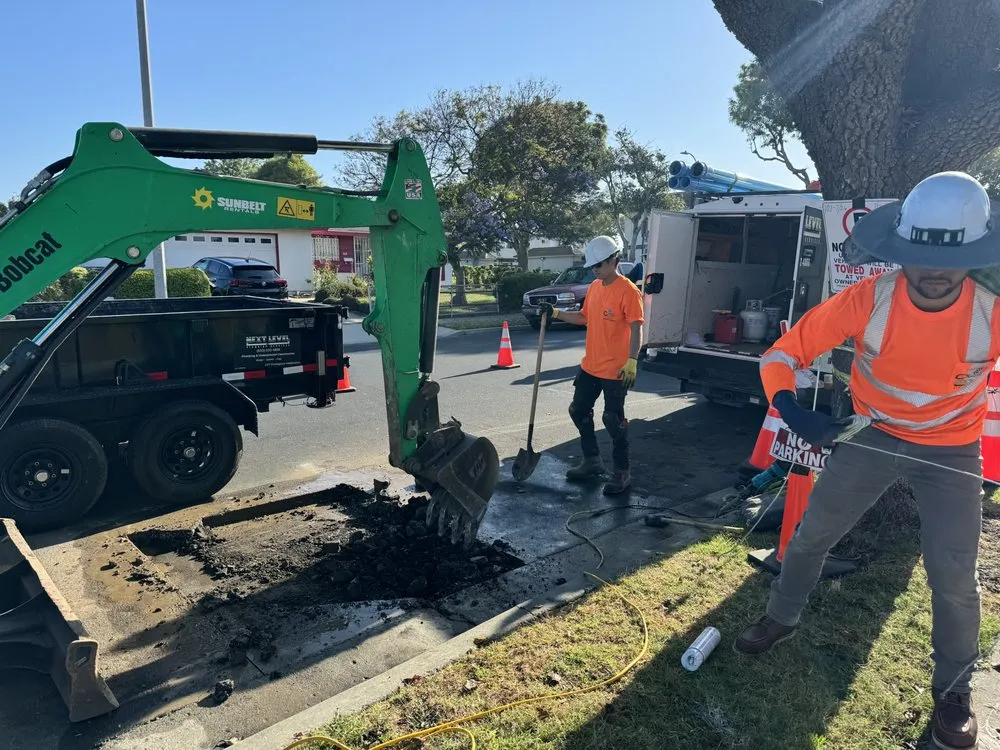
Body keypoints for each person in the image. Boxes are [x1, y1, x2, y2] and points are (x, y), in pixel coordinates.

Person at [735, 171, 1000, 750]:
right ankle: (781, 617)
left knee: (954, 575)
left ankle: (953, 691)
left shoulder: (991, 311)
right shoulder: (869, 297)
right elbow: (783, 352)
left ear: (976, 255)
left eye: (949, 260)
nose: (933, 272)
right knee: (809, 536)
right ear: (901, 249)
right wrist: (788, 405)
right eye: (919, 255)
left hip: (952, 448)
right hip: (873, 434)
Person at [539, 236, 644, 495]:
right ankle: (592, 461)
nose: (595, 270)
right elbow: (584, 317)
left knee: (613, 419)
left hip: (616, 370)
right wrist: (555, 313)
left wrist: (632, 360)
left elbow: (637, 327)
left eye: (599, 265)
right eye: (593, 266)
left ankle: (622, 473)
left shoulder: (628, 291)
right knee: (578, 410)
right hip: (591, 366)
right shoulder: (595, 288)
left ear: (614, 260)